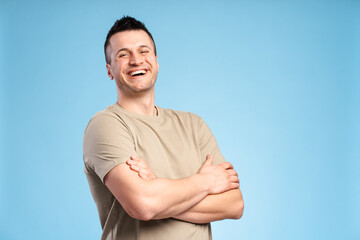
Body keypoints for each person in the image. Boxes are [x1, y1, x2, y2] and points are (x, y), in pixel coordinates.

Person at [83, 16, 244, 240]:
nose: (136, 60)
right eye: (123, 54)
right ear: (109, 70)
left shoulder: (193, 125)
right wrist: (205, 183)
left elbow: (234, 205)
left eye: (143, 51)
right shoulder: (106, 125)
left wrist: (157, 188)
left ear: (156, 62)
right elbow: (144, 204)